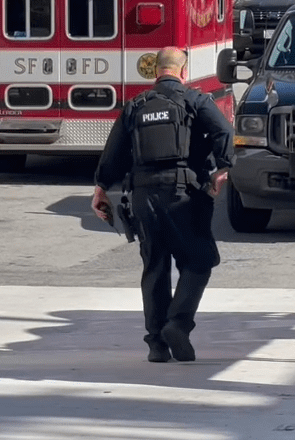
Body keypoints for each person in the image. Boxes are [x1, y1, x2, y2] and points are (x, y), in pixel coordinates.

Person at [92, 47, 235, 363]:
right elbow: (224, 131)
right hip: (185, 194)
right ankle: (178, 324)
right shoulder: (195, 101)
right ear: (183, 72)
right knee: (199, 261)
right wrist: (223, 169)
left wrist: (101, 188)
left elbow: (113, 153)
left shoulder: (135, 106)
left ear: (155, 71)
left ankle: (157, 344)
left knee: (155, 267)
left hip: (143, 198)